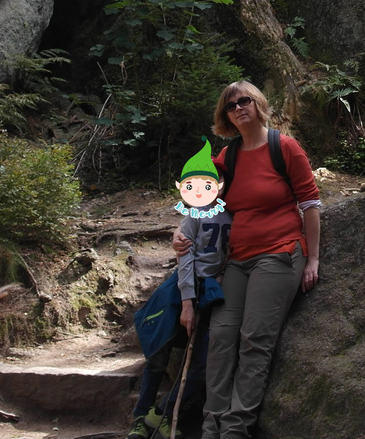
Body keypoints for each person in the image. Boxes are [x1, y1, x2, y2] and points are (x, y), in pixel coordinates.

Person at [177, 82, 320, 439]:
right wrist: (178, 233)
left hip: (280, 253)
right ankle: (212, 427)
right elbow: (200, 198)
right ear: (225, 115)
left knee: (255, 340)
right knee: (222, 339)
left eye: (245, 101)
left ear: (258, 105)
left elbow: (310, 205)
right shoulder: (229, 156)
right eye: (231, 105)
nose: (239, 108)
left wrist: (313, 258)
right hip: (238, 261)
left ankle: (235, 430)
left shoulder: (284, 147)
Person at [129, 141, 231, 439]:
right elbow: (185, 258)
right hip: (184, 288)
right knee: (159, 348)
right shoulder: (195, 215)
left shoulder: (237, 215)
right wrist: (187, 302)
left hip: (213, 292)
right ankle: (140, 417)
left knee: (201, 361)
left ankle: (161, 413)